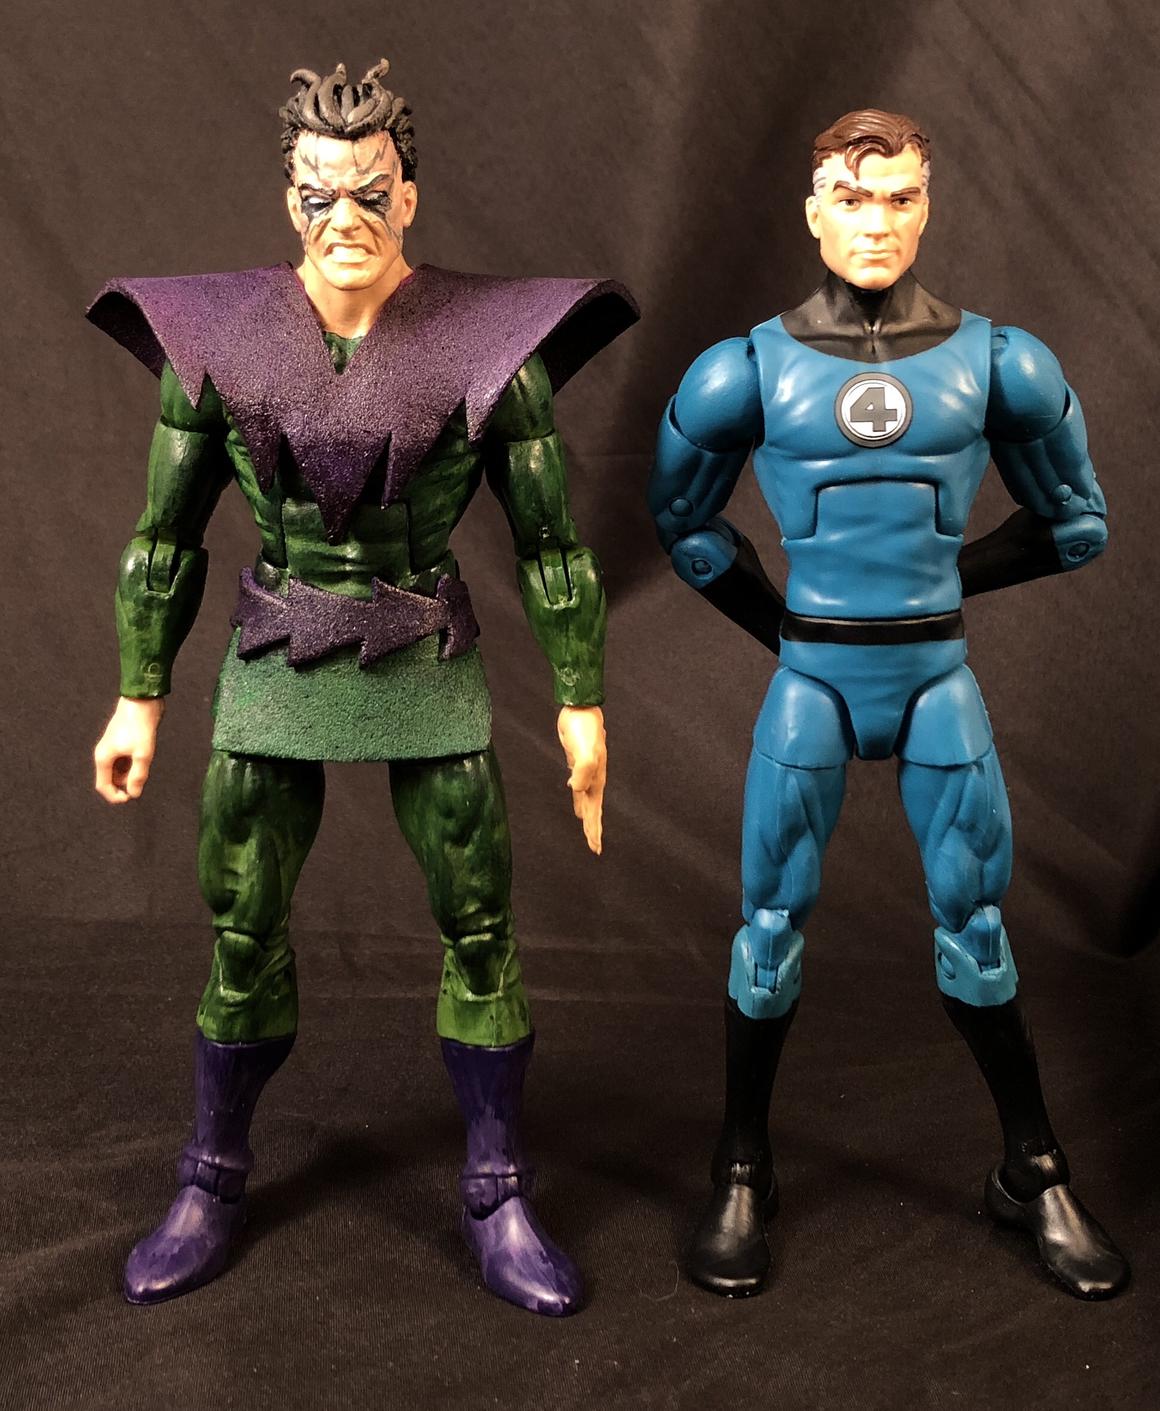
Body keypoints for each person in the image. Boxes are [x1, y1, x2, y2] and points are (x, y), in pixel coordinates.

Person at [89, 58, 636, 1316]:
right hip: (273, 649)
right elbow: (164, 536)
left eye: (371, 191)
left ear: (410, 196)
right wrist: (138, 692)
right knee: (240, 920)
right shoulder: (214, 344)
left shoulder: (493, 350)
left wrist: (580, 699)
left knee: (480, 924)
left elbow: (553, 547)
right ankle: (212, 1175)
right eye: (319, 192)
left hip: (423, 647)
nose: (346, 217)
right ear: (288, 197)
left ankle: (496, 1190)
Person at [647, 108, 1128, 1300]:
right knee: (767, 932)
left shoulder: (1000, 362)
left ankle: (1033, 1171)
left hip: (931, 680)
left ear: (926, 206)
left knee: (975, 926)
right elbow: (683, 527)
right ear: (812, 210)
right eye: (852, 199)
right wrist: (787, 631)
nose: (875, 222)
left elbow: (1075, 524)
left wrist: (941, 585)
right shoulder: (742, 369)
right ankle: (741, 1169)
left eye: (898, 197)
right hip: (811, 681)